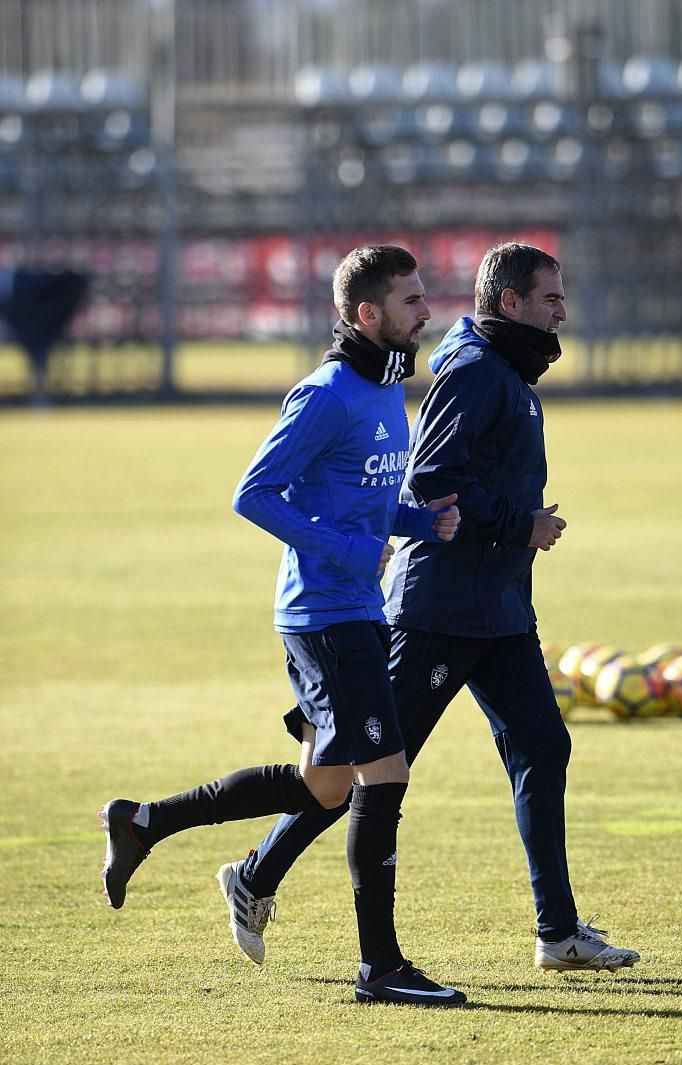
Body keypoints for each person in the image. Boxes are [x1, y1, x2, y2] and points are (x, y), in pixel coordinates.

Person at [225, 243, 641, 974]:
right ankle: (257, 877)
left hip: (500, 606)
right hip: (441, 609)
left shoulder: (503, 365)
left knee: (544, 748)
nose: (562, 311)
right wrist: (523, 525)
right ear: (510, 303)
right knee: (371, 766)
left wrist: (517, 533)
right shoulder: (478, 371)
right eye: (551, 298)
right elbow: (431, 480)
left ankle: (558, 932)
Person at [99, 244, 467, 1007]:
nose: (426, 312)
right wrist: (352, 551)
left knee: (325, 788)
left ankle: (144, 822)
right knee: (385, 775)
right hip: (323, 615)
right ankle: (381, 969)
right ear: (367, 315)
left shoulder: (386, 389)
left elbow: (358, 501)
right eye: (410, 302)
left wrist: (419, 523)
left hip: (356, 609)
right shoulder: (326, 393)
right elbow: (254, 494)